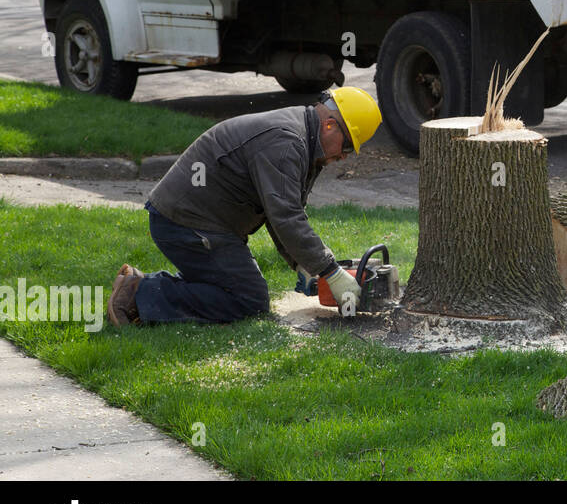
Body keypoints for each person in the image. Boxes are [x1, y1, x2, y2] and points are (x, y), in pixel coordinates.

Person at [107, 87, 383, 326]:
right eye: (347, 147)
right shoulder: (287, 142)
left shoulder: (303, 137)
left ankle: (140, 283)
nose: (344, 157)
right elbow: (285, 216)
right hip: (184, 223)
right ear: (330, 126)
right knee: (249, 300)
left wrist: (303, 263)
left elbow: (282, 210)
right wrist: (330, 272)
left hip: (201, 223)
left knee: (235, 288)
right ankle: (138, 295)